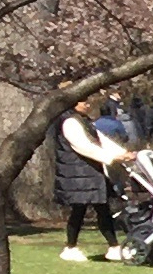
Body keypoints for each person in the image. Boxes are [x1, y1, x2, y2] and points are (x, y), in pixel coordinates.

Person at [53, 98, 126, 261]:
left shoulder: (84, 121)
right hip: (78, 172)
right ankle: (70, 247)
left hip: (89, 172)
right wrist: (111, 157)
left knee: (102, 208)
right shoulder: (70, 122)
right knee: (79, 209)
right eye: (83, 102)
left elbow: (101, 141)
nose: (88, 105)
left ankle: (114, 247)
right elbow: (83, 145)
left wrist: (122, 153)